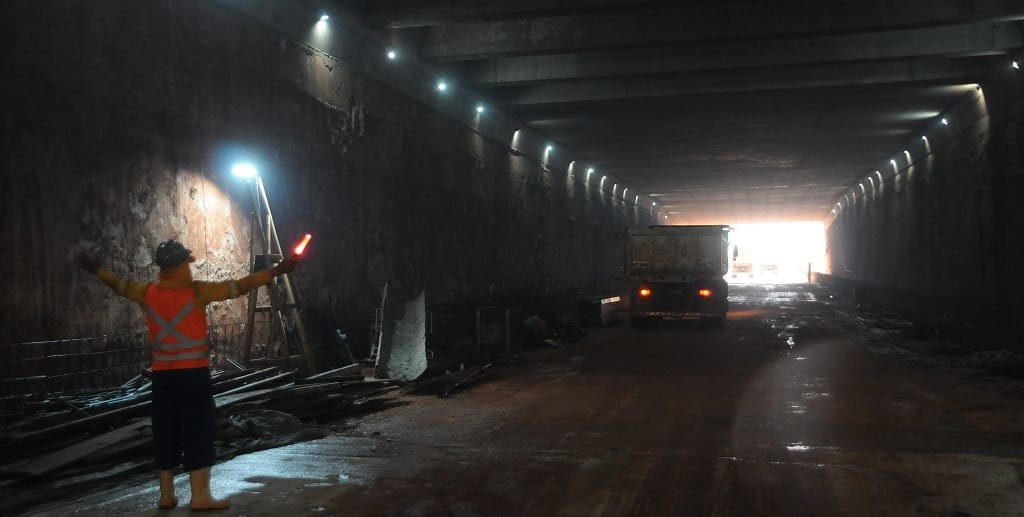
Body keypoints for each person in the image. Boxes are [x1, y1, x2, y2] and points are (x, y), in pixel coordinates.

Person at [75, 240, 297, 511]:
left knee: (165, 431)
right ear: (180, 265)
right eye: (186, 263)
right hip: (193, 376)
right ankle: (200, 496)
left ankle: (166, 495)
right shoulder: (198, 292)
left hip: (163, 379)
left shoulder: (146, 293)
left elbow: (118, 283)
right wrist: (276, 271)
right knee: (199, 430)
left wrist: (96, 269)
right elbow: (241, 285)